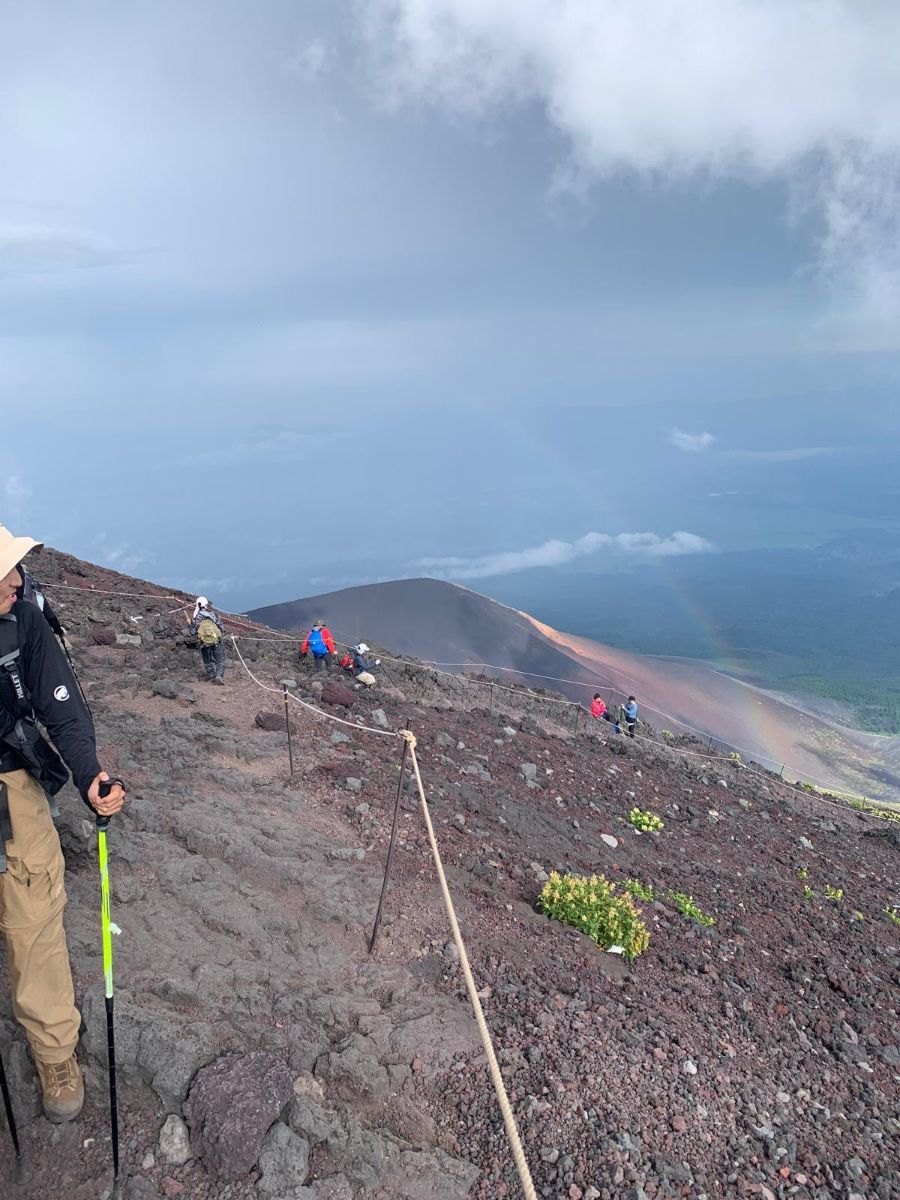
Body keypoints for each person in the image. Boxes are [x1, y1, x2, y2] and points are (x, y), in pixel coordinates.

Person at [0, 525, 125, 1123]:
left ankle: (54, 1052)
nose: (16, 580)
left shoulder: (25, 621)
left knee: (34, 923)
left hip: (10, 782)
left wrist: (90, 776)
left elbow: (65, 711)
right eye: (3, 573)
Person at [187, 596, 226, 684]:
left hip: (204, 642)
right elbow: (222, 628)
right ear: (206, 604)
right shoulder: (213, 614)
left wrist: (189, 624)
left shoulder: (196, 617)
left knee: (207, 660)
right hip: (216, 640)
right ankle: (219, 676)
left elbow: (193, 632)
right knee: (220, 659)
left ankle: (212, 676)